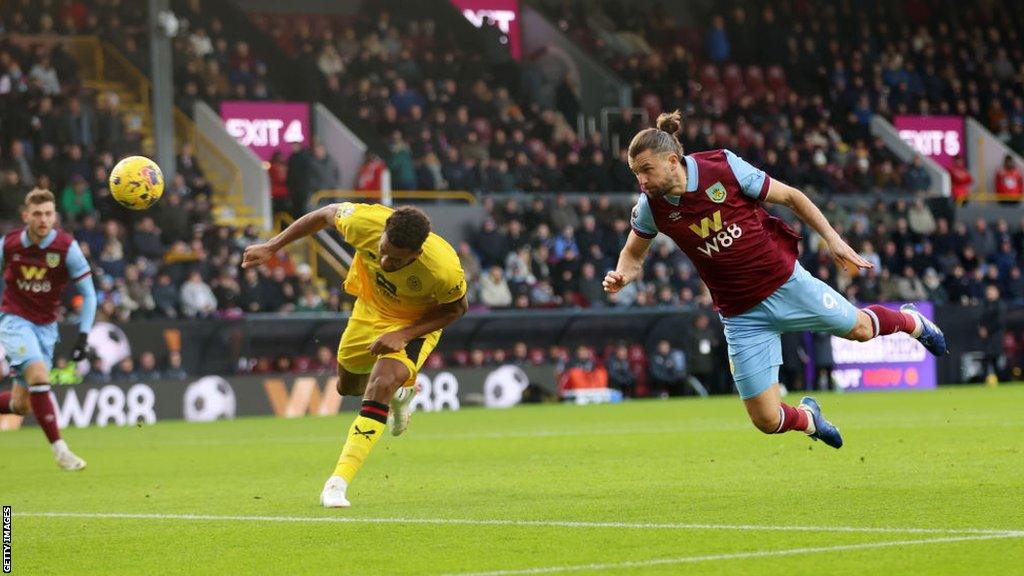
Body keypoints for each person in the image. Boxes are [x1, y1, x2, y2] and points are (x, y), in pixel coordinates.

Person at [604, 111, 947, 449]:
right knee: (766, 421)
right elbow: (634, 254)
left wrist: (832, 238)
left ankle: (911, 322)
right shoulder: (650, 206)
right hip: (740, 315)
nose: (642, 181)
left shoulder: (722, 166)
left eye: (646, 170)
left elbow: (792, 197)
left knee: (859, 330)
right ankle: (810, 419)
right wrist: (622, 275)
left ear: (672, 160)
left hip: (786, 285)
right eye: (636, 173)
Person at [243, 202, 467, 507]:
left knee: (380, 383)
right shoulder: (364, 222)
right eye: (383, 250)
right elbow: (323, 215)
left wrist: (403, 334)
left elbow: (457, 309)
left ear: (416, 254)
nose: (386, 262)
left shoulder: (443, 269)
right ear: (384, 231)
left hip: (413, 322)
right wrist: (272, 246)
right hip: (369, 308)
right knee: (346, 386)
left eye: (397, 260)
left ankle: (337, 483)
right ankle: (400, 392)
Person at [0, 190, 97, 470]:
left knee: (22, 405)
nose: (43, 220)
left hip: (46, 326)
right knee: (40, 377)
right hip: (14, 320)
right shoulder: (9, 244)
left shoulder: (67, 248)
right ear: (26, 216)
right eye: (38, 214)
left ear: (55, 215)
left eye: (48, 214)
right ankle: (61, 451)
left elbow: (88, 294)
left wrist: (83, 334)